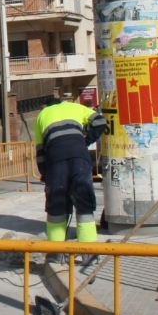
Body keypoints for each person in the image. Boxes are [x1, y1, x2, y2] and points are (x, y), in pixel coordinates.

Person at [33, 96, 107, 245]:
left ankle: (56, 252)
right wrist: (85, 140)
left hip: (56, 159)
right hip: (80, 157)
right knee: (84, 201)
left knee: (56, 203)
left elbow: (40, 151)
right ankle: (89, 251)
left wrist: (45, 174)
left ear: (45, 106)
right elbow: (100, 121)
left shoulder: (42, 115)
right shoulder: (76, 107)